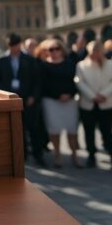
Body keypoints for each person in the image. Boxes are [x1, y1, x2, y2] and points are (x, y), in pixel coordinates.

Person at [0, 34, 45, 167]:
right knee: (17, 129)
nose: (13, 48)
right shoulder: (2, 61)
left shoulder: (29, 60)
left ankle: (38, 154)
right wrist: (5, 94)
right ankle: (22, 155)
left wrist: (33, 96)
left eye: (15, 46)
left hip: (28, 99)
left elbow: (37, 80)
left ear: (19, 45)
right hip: (12, 100)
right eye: (10, 46)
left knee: (33, 128)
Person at [75, 41, 112, 170]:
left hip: (107, 103)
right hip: (88, 104)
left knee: (107, 131)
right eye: (92, 52)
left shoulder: (110, 64)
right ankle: (91, 156)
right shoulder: (81, 65)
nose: (94, 55)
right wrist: (92, 96)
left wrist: (104, 94)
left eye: (97, 52)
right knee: (89, 132)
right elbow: (79, 82)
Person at [39, 39, 80, 168]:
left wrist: (70, 94)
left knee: (72, 129)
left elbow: (77, 81)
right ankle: (57, 155)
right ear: (46, 52)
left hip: (70, 100)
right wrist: (57, 96)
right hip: (51, 101)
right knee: (54, 129)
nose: (55, 51)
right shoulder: (44, 66)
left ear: (62, 49)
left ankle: (75, 155)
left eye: (57, 48)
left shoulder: (70, 64)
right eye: (51, 49)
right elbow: (43, 85)